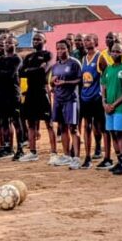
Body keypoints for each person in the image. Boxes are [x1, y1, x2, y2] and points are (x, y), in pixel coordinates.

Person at [19, 33, 56, 163]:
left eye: (38, 39)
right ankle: (33, 152)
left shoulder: (48, 55)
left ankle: (53, 153)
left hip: (42, 91)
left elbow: (45, 70)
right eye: (34, 39)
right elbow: (21, 72)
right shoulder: (28, 56)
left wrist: (30, 70)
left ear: (44, 40)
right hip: (30, 92)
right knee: (31, 124)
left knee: (49, 124)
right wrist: (35, 69)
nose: (35, 41)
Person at [101, 43, 122, 175]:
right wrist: (104, 103)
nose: (115, 54)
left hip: (120, 107)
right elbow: (103, 88)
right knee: (112, 133)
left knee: (120, 133)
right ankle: (119, 161)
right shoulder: (108, 70)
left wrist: (114, 104)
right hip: (108, 107)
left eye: (118, 52)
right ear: (110, 54)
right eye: (113, 52)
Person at [50, 40, 82, 169]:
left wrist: (66, 82)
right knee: (62, 127)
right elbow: (52, 83)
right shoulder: (55, 66)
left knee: (73, 128)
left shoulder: (74, 63)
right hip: (58, 99)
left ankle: (77, 158)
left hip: (71, 99)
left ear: (68, 49)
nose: (60, 51)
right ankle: (67, 155)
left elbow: (80, 80)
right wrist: (52, 82)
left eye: (63, 48)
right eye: (58, 49)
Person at [0, 38, 22, 158]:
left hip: (13, 94)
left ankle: (20, 148)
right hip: (1, 95)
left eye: (9, 43)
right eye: (6, 43)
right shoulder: (1, 59)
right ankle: (7, 147)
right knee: (4, 122)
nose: (7, 45)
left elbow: (9, 74)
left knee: (16, 122)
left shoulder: (16, 59)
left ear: (15, 44)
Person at [79, 34, 105, 169]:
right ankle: (87, 156)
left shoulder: (100, 57)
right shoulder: (83, 59)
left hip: (97, 97)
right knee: (86, 126)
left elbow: (105, 76)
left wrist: (104, 96)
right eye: (85, 40)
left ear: (95, 42)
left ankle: (104, 153)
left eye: (88, 40)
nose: (85, 42)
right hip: (85, 97)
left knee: (100, 127)